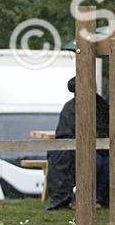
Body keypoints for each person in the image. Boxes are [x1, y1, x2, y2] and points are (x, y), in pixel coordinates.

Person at [46, 77, 110, 210]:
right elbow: (67, 133)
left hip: (99, 147)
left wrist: (98, 134)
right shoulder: (70, 107)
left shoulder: (100, 104)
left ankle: (95, 195)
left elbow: (106, 125)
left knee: (107, 162)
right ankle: (79, 197)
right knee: (94, 161)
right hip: (73, 149)